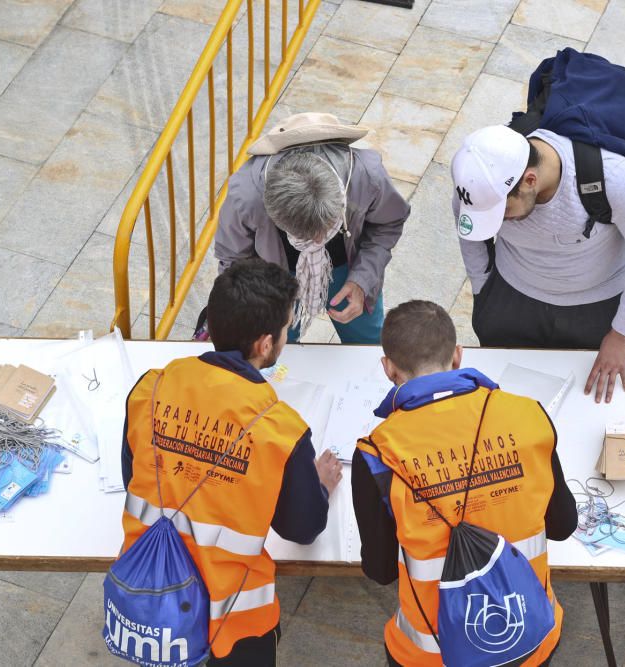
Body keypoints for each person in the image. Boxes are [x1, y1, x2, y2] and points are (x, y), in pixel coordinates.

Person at [121, 258, 343, 666]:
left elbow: (132, 473)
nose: (286, 337)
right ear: (264, 345)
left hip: (149, 591)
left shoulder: (150, 387)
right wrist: (320, 486)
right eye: (286, 329)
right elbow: (302, 528)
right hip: (233, 619)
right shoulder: (280, 429)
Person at [351, 300, 578, 666]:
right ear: (458, 355)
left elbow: (379, 571)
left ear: (388, 368)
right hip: (528, 639)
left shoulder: (377, 454)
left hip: (431, 655)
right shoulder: (529, 415)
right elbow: (563, 526)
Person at [451, 125, 625, 404]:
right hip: (511, 303)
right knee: (507, 404)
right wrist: (483, 289)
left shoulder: (614, 179)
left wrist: (621, 334)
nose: (497, 222)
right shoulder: (479, 185)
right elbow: (468, 230)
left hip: (600, 311)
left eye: (503, 212)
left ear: (529, 181)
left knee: (595, 404)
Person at [207, 112, 411, 344]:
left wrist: (363, 279)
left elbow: (388, 222)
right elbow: (233, 262)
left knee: (368, 343)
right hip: (275, 279)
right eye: (303, 237)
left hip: (349, 268)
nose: (317, 242)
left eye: (326, 230)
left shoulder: (367, 176)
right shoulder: (246, 196)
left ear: (340, 197)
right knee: (276, 348)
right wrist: (248, 312)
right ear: (271, 211)